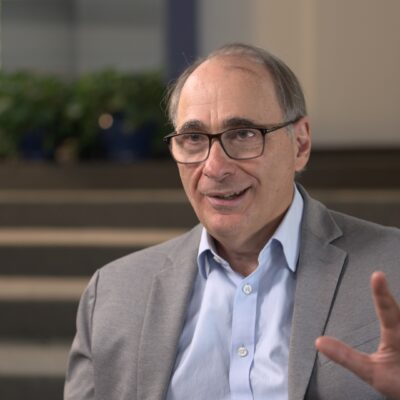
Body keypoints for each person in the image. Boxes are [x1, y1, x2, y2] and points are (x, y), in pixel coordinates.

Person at [64, 43, 400, 400]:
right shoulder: (114, 294)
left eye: (242, 135)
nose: (214, 167)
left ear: (300, 144)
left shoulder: (391, 266)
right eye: (193, 139)